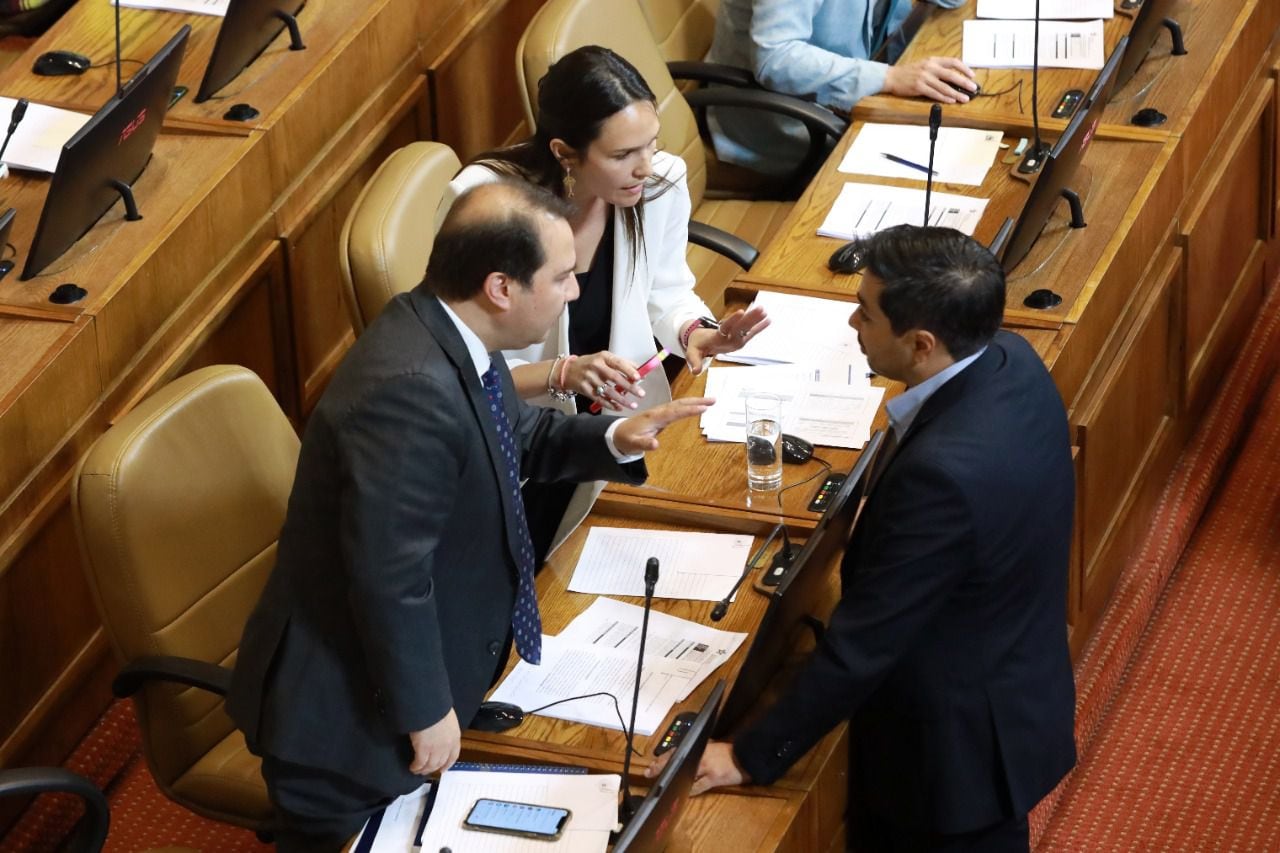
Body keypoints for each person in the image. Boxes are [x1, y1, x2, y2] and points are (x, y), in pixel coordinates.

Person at [227, 181, 712, 852]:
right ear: (501, 288)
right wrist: (426, 710)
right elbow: (389, 576)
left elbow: (521, 438)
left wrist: (615, 438)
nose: (575, 290)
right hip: (348, 726)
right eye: (563, 276)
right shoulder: (409, 392)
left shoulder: (451, 336)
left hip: (418, 675)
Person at [669, 226, 1077, 851]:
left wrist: (750, 755)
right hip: (1013, 681)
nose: (852, 322)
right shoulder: (1009, 358)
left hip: (950, 762)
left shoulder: (943, 478)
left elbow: (866, 645)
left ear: (921, 343)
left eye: (866, 312)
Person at [437, 45, 769, 560]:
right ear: (565, 152)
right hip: (522, 448)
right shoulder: (488, 207)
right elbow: (456, 368)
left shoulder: (660, 182)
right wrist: (561, 373)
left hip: (626, 423)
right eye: (621, 156)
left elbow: (666, 289)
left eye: (650, 145)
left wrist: (696, 332)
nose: (644, 167)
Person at [707, 0, 977, 175]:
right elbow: (775, 59)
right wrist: (890, 78)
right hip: (782, 113)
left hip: (853, 76)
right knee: (937, 167)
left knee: (962, 146)